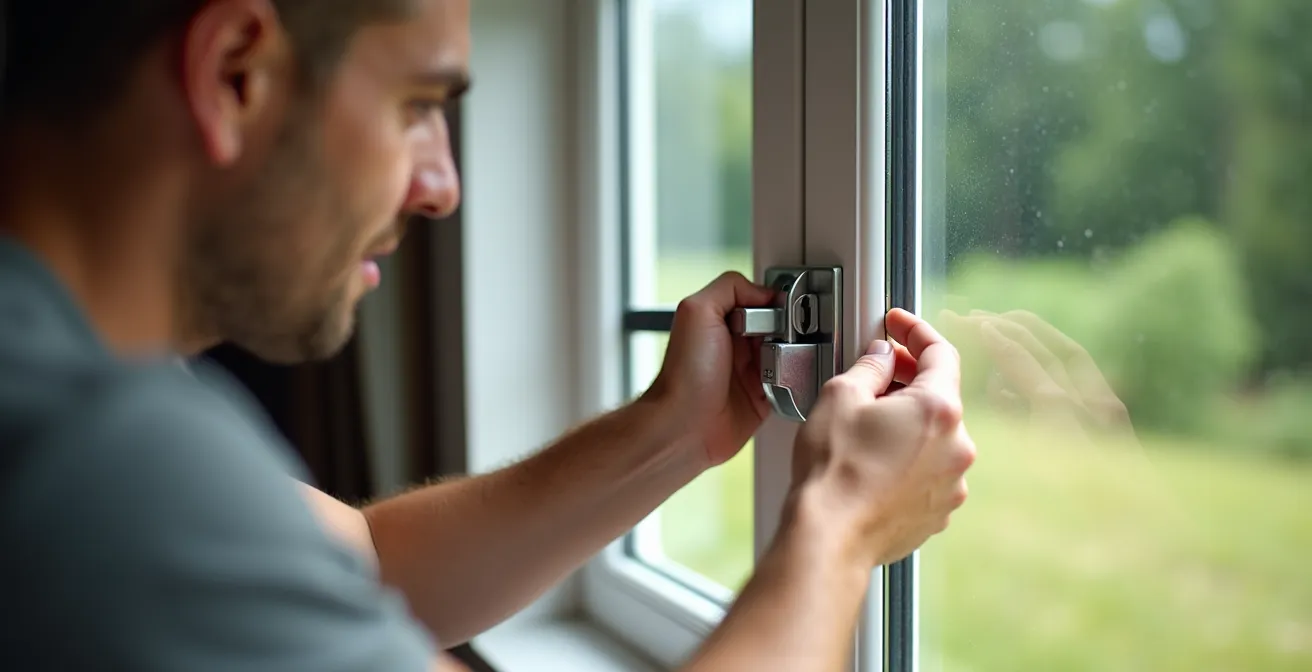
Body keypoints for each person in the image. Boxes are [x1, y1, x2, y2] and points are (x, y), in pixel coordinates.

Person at [0, 1, 976, 670]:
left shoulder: (78, 370)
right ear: (233, 73)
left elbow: (364, 562)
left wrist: (677, 433)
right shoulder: (88, 459)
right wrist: (841, 525)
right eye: (416, 107)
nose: (442, 187)